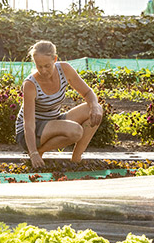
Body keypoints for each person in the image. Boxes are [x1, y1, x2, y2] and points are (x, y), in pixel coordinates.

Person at [16, 40, 103, 169]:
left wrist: (94, 106)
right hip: (31, 131)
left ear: (55, 59)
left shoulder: (65, 69)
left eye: (47, 66)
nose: (43, 70)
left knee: (96, 109)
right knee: (76, 131)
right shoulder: (30, 84)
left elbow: (88, 92)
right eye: (39, 66)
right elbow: (28, 123)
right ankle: (39, 152)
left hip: (54, 121)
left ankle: (76, 159)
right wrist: (33, 152)